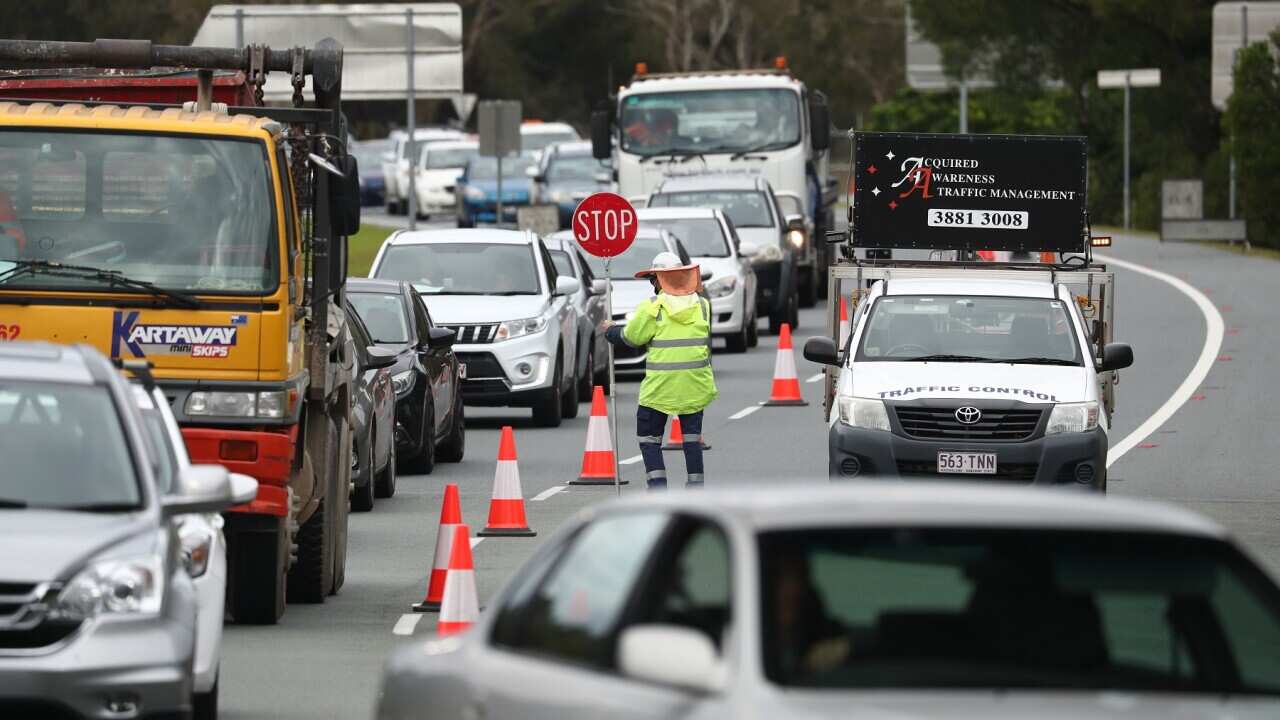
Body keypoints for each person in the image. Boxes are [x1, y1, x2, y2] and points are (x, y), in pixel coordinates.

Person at [603, 252, 717, 489]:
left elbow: (631, 337)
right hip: (695, 385)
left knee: (649, 440)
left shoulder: (653, 307)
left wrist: (610, 330)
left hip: (660, 389)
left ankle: (658, 491)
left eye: (652, 279)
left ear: (658, 280)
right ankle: (696, 490)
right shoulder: (703, 306)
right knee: (692, 441)